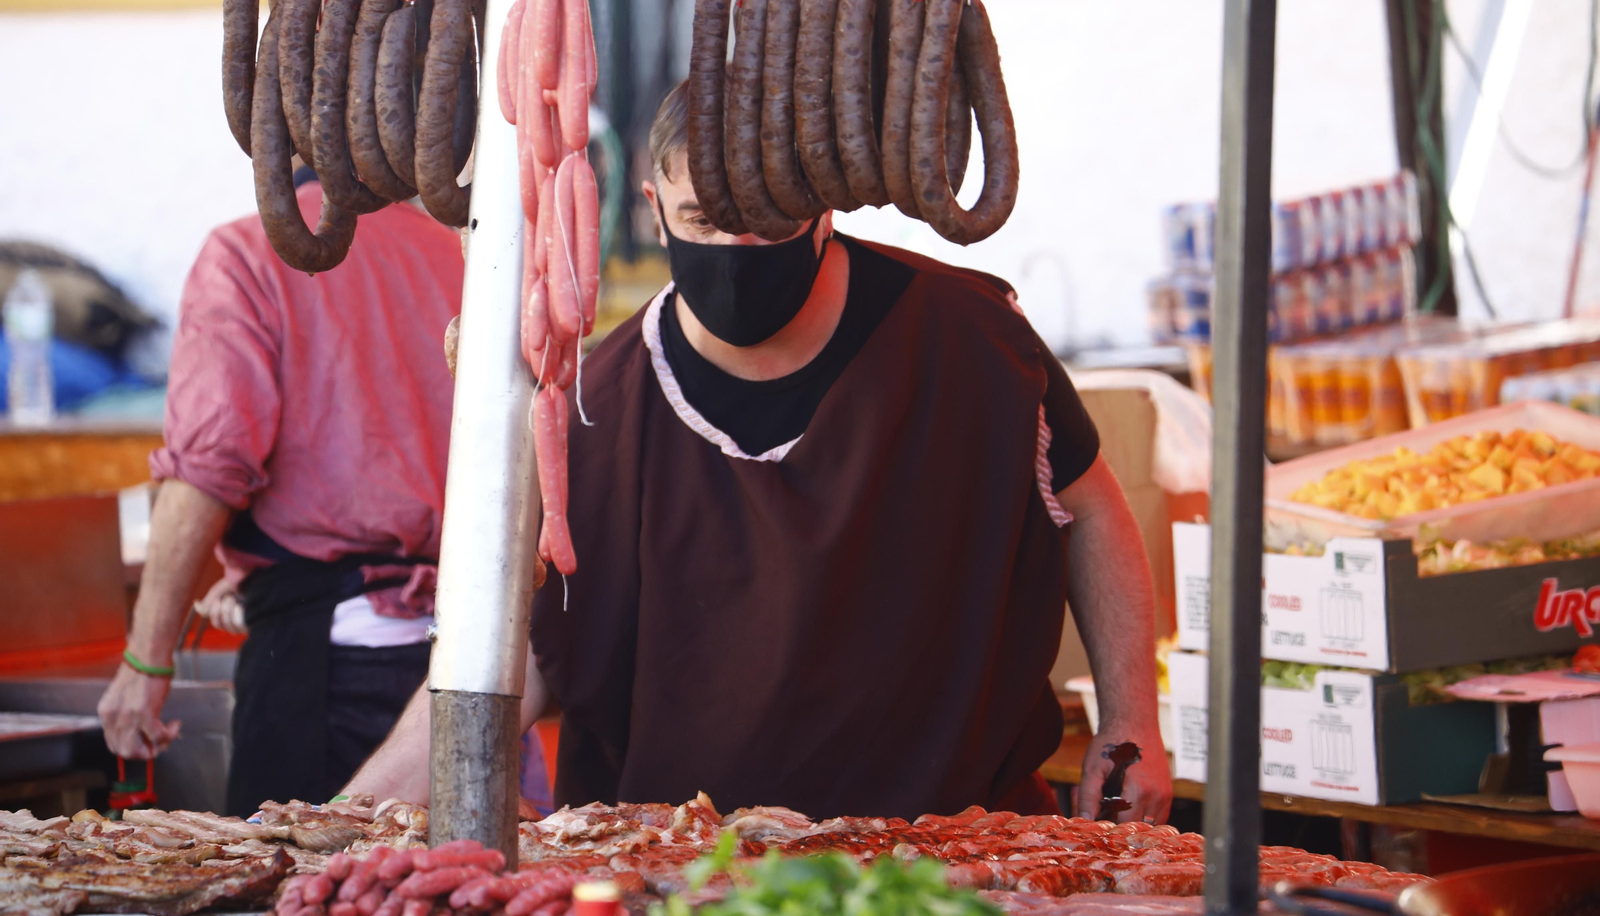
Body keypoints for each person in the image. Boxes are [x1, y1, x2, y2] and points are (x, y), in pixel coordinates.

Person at [349, 82, 1171, 823]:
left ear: (824, 209)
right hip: (686, 871)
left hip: (960, 852)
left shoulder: (972, 339)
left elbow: (1090, 507)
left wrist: (1132, 716)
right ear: (654, 209)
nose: (737, 246)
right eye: (704, 220)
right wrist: (348, 816)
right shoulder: (596, 407)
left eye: (766, 216)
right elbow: (534, 645)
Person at [97, 171, 468, 816]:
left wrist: (147, 661)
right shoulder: (460, 252)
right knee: (461, 877)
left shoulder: (245, 252)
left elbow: (209, 466)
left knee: (296, 877)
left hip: (324, 674)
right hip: (465, 660)